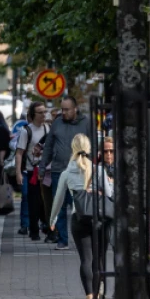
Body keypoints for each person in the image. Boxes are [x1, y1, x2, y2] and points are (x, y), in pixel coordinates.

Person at [49, 134, 111, 299]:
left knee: (85, 259)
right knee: (99, 260)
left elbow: (58, 200)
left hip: (79, 219)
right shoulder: (99, 170)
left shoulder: (67, 173)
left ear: (73, 149)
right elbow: (109, 195)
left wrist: (52, 220)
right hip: (100, 218)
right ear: (89, 149)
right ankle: (99, 296)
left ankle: (89, 297)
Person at [41, 96, 92, 250]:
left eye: (67, 109)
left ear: (75, 109)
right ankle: (62, 239)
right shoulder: (57, 123)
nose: (63, 112)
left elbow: (93, 145)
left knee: (79, 205)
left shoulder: (86, 123)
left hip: (79, 171)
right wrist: (43, 167)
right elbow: (49, 146)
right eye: (62, 109)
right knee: (60, 206)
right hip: (58, 170)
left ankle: (83, 237)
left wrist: (90, 166)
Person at [15, 102, 49, 239]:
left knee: (45, 201)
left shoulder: (48, 128)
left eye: (44, 112)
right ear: (33, 115)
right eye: (40, 112)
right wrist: (18, 173)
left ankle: (46, 226)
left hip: (46, 171)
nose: (43, 115)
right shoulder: (26, 131)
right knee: (33, 202)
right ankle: (34, 231)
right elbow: (19, 153)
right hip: (32, 171)